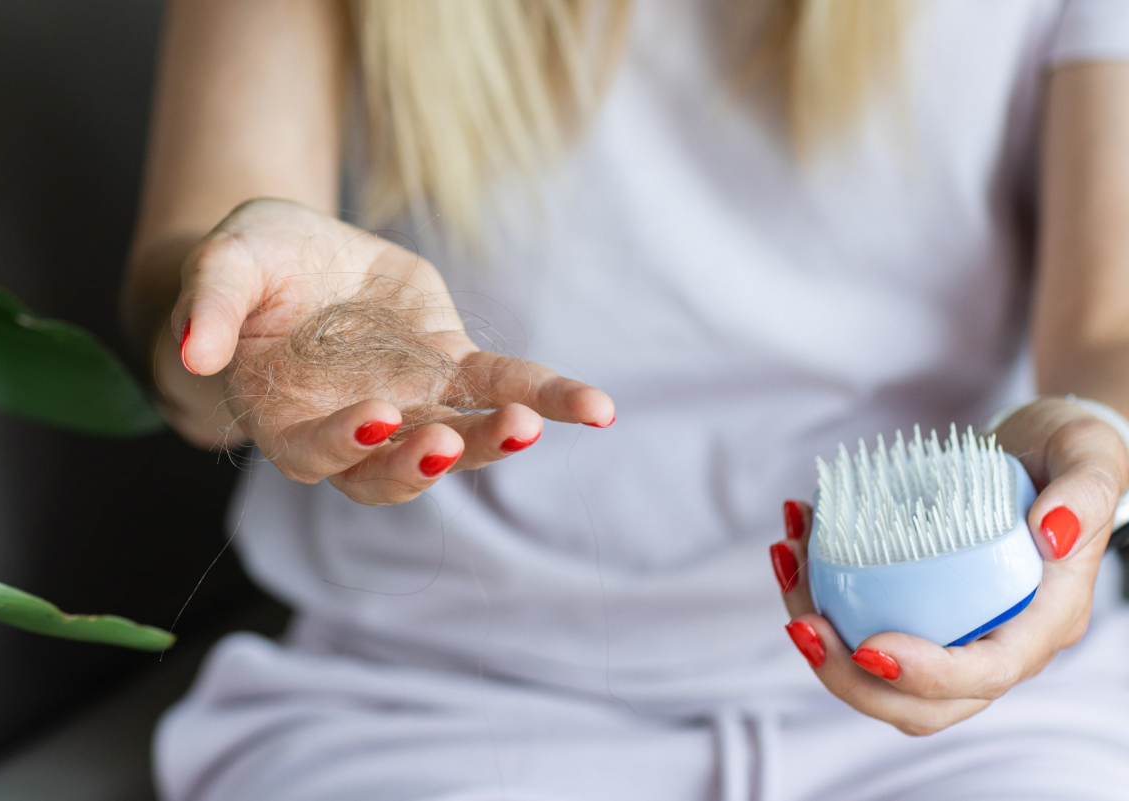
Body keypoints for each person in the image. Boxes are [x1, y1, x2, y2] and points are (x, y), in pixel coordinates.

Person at [122, 1, 1129, 799]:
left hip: (994, 725)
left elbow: (1107, 328)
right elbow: (191, 330)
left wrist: (1101, 450)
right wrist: (249, 343)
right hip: (429, 702)